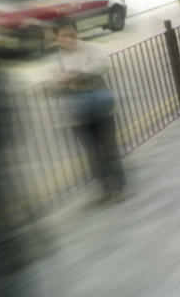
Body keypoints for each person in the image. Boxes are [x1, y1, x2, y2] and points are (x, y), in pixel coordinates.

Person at [51, 21, 125, 202]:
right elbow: (52, 85)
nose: (68, 38)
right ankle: (105, 189)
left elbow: (103, 65)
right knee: (92, 152)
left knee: (109, 147)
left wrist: (80, 73)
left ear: (77, 33)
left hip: (101, 108)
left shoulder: (92, 48)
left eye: (71, 33)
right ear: (57, 38)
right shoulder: (58, 58)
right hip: (79, 115)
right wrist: (59, 82)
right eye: (63, 35)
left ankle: (119, 187)